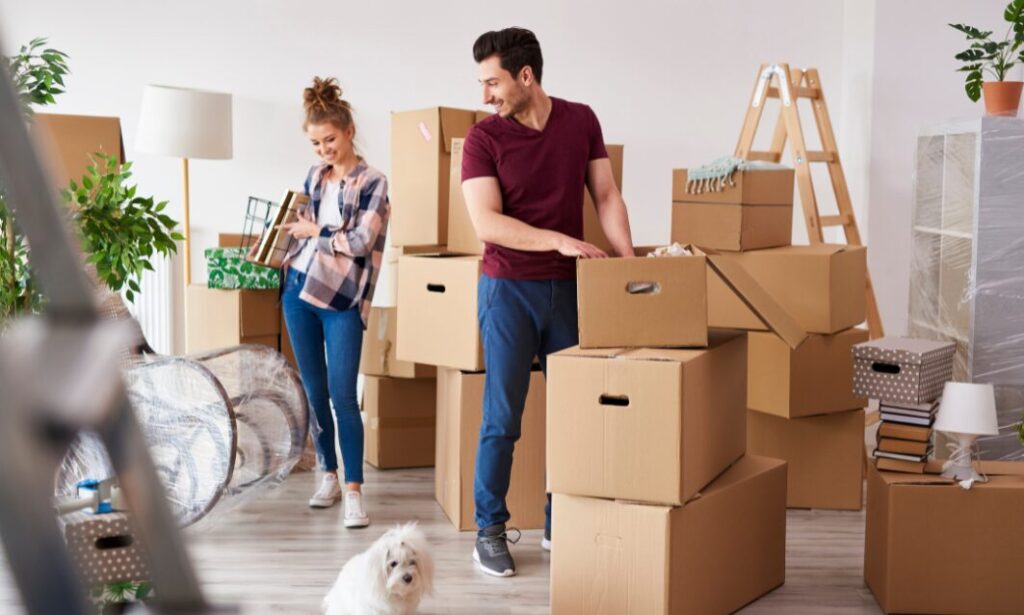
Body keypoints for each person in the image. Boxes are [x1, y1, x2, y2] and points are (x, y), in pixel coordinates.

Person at [461, 27, 635, 576]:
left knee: (574, 415)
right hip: (508, 290)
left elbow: (605, 194)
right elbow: (486, 222)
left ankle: (562, 520)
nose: (486, 94)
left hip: (571, 292)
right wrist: (558, 239)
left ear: (526, 75)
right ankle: (489, 530)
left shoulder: (581, 120)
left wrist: (629, 263)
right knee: (503, 418)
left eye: (493, 82)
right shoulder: (482, 139)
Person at [279, 77, 389, 528]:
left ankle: (355, 491)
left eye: (329, 139)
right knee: (313, 390)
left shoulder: (373, 181)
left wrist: (316, 234)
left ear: (347, 132)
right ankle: (328, 473)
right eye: (315, 142)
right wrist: (281, 243)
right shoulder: (314, 177)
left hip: (341, 300)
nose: (323, 149)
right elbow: (302, 227)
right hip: (298, 293)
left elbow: (362, 241)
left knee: (345, 396)